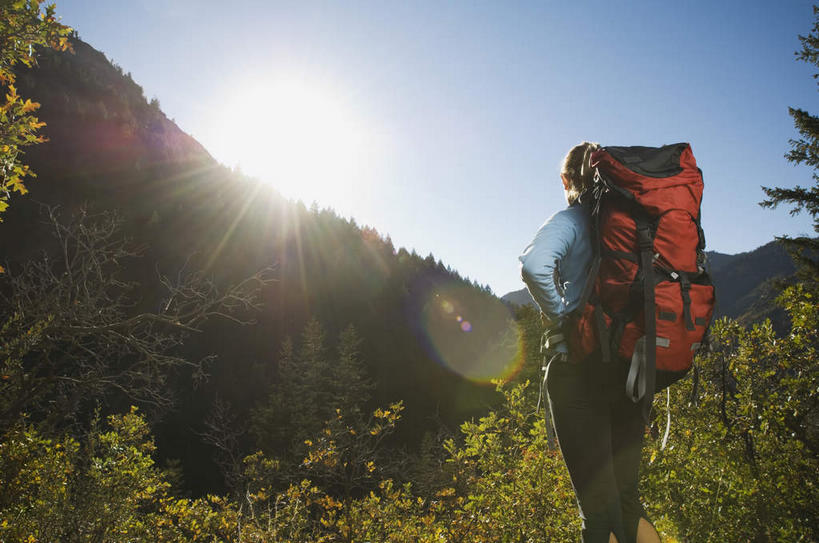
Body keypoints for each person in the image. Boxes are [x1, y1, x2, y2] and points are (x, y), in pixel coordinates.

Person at [519, 142, 662, 543]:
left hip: (579, 373)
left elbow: (533, 266)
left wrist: (563, 313)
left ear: (566, 180)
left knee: (597, 511)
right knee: (628, 498)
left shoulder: (572, 220)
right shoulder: (639, 223)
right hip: (630, 371)